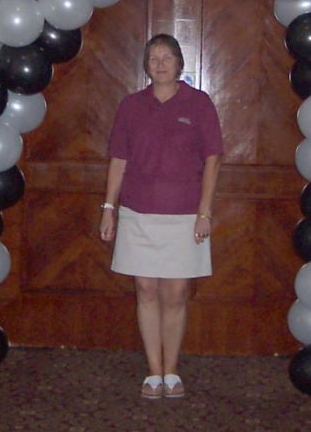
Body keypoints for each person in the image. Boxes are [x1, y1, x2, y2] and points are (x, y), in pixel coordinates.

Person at [99, 34, 222, 399]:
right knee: (146, 290)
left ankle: (173, 370)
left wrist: (205, 212)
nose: (161, 63)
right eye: (153, 57)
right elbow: (118, 160)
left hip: (185, 215)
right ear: (146, 65)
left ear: (180, 63)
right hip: (138, 213)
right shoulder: (131, 106)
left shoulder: (198, 104)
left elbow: (213, 159)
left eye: (168, 57)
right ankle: (154, 371)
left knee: (176, 293)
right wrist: (109, 208)